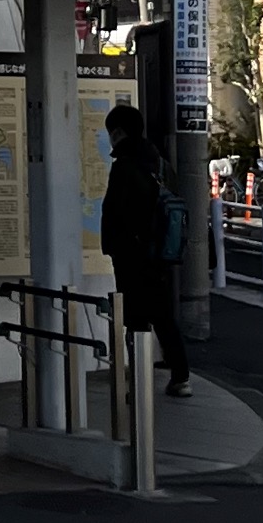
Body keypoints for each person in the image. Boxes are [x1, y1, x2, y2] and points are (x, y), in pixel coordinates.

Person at [101, 102, 190, 404]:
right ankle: (181, 377)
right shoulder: (161, 164)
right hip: (162, 254)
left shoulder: (124, 167)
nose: (110, 138)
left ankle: (138, 384)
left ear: (120, 132)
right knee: (164, 317)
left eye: (111, 132)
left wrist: (113, 246)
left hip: (132, 257)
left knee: (135, 320)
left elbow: (117, 213)